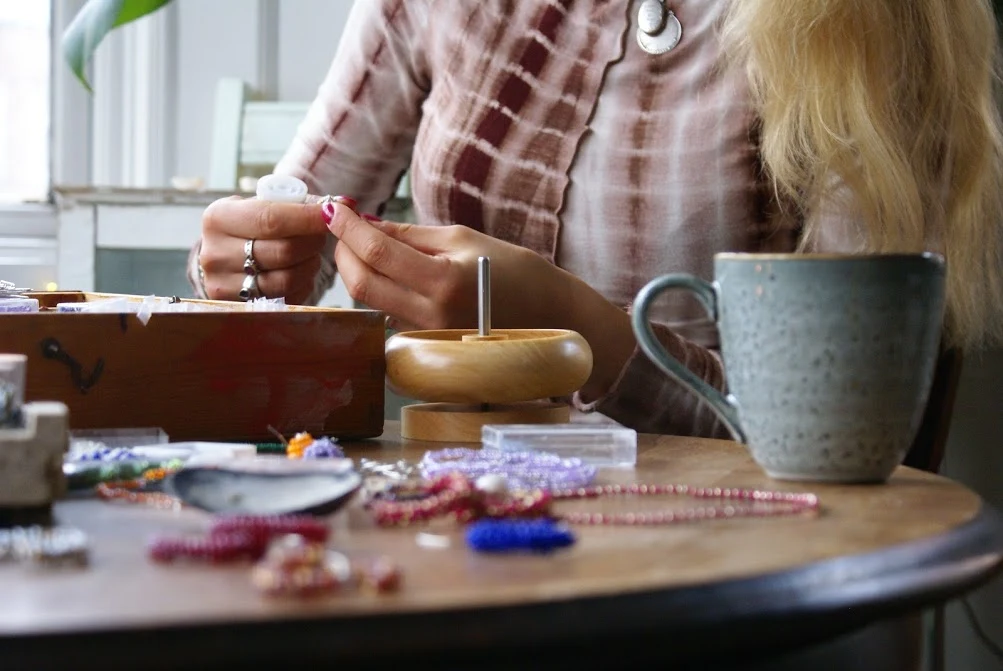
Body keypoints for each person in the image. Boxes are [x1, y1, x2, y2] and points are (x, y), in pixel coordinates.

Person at [191, 0, 1003, 440]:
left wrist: (571, 329)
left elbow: (843, 428)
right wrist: (254, 260)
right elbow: (291, 224)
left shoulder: (870, 22)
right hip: (455, 537)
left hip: (741, 572)